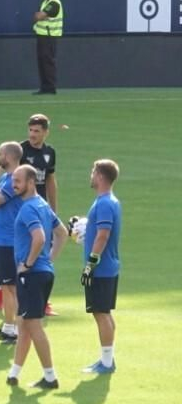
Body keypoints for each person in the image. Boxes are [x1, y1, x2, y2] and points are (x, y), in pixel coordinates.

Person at [8, 163, 68, 389]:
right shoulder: (43, 205)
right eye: (13, 181)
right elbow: (61, 233)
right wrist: (49, 260)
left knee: (33, 325)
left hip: (31, 275)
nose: (14, 185)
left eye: (18, 181)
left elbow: (40, 237)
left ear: (31, 182)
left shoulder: (28, 209)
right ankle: (14, 373)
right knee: (23, 322)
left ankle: (50, 376)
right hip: (44, 273)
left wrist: (29, 263)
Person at [76, 158, 121, 376]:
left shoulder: (103, 203)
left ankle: (106, 362)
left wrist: (90, 265)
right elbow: (99, 231)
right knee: (104, 313)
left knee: (101, 313)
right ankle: (106, 359)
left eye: (93, 172)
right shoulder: (109, 201)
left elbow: (103, 235)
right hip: (109, 266)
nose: (91, 175)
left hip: (101, 269)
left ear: (101, 176)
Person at [0, 141, 25, 344]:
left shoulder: (14, 180)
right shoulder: (4, 178)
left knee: (11, 287)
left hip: (11, 241)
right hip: (0, 240)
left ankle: (15, 329)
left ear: (8, 157)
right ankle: (9, 327)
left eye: (0, 153)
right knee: (5, 285)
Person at [20, 112, 59, 315]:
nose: (32, 134)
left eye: (37, 131)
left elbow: (51, 180)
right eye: (30, 130)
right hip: (24, 209)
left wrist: (53, 208)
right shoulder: (21, 150)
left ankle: (43, 300)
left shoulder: (49, 153)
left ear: (46, 132)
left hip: (41, 208)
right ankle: (4, 290)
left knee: (43, 250)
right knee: (21, 250)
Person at [31, 0, 62, 95]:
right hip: (42, 35)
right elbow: (36, 16)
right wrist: (38, 16)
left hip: (49, 36)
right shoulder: (46, 2)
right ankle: (44, 87)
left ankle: (50, 87)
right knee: (42, 62)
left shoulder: (54, 3)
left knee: (48, 62)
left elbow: (38, 16)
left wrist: (39, 16)